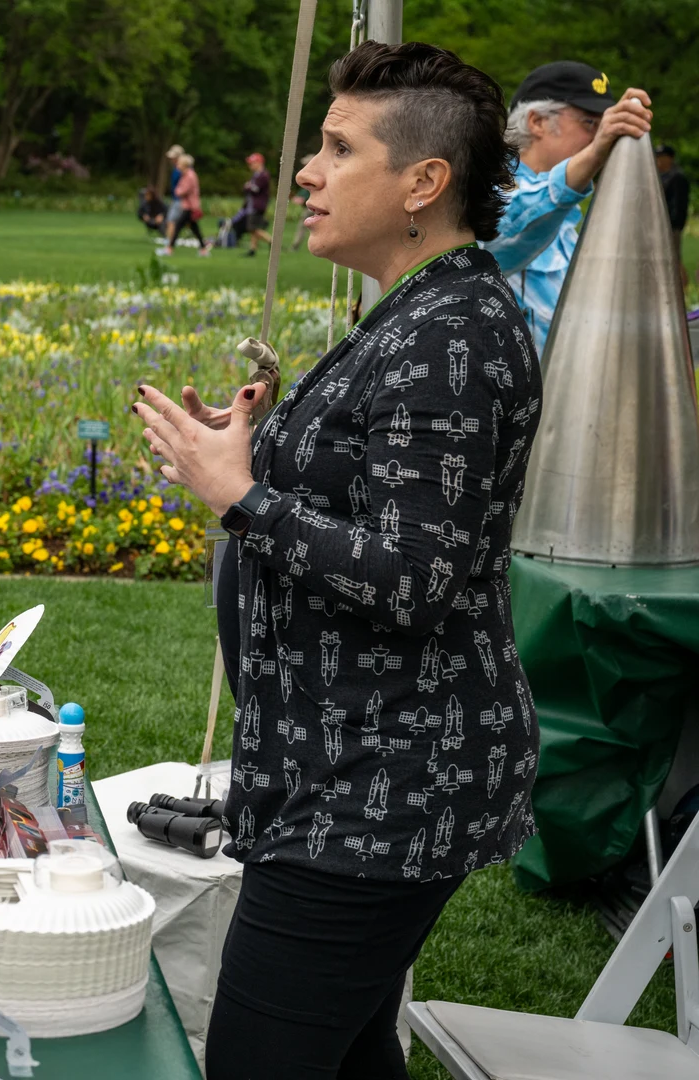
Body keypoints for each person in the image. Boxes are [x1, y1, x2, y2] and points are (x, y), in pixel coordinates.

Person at [133, 41, 542, 1080]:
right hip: (335, 770)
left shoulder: (451, 337)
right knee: (349, 1056)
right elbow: (382, 487)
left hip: (379, 792)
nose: (304, 173)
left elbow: (412, 578)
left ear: (422, 182)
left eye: (337, 148)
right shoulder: (417, 310)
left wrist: (240, 493)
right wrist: (258, 447)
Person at [484, 61, 652, 357]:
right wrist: (593, 155)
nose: (603, 137)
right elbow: (501, 230)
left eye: (605, 125)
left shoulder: (564, 211)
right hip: (524, 398)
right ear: (536, 121)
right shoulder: (486, 188)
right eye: (590, 123)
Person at [658, 144, 690, 300]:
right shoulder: (662, 176)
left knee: (675, 258)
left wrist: (673, 224)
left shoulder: (677, 177)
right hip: (663, 225)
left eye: (662, 157)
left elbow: (678, 204)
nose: (659, 161)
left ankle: (683, 290)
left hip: (671, 225)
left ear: (669, 158)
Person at [163, 152, 210, 255]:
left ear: (184, 165)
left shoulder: (189, 176)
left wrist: (177, 191)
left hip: (189, 206)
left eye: (179, 164)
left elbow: (183, 190)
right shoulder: (186, 175)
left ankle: (170, 248)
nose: (177, 165)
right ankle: (203, 249)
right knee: (194, 228)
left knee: (178, 226)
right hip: (188, 205)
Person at [238, 151, 274, 256]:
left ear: (259, 163)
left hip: (257, 205)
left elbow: (255, 189)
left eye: (252, 163)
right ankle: (252, 250)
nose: (250, 165)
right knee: (253, 229)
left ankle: (272, 242)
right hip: (253, 205)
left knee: (253, 228)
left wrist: (247, 186)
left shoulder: (263, 175)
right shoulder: (256, 175)